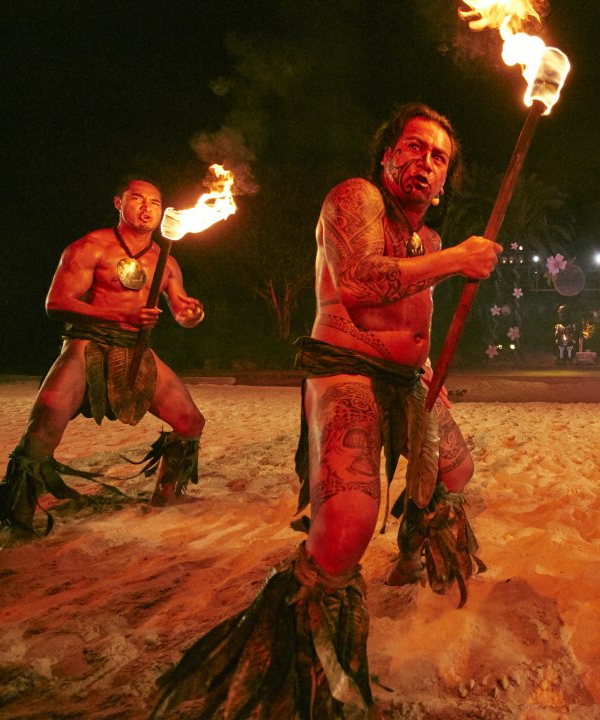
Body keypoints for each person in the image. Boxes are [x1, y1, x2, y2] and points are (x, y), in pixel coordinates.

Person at [150, 103, 501, 718]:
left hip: (408, 380)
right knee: (346, 526)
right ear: (387, 156)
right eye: (413, 147)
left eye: (439, 157)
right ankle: (296, 664)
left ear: (445, 183)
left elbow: (415, 314)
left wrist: (426, 371)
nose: (425, 161)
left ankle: (412, 552)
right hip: (348, 370)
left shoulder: (430, 239)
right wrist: (458, 261)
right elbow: (360, 281)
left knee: (456, 472)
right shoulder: (355, 198)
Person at [0, 178, 206, 537]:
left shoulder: (166, 261)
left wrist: (191, 313)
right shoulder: (90, 247)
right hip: (86, 343)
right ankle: (20, 522)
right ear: (118, 203)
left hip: (136, 349)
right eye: (137, 199)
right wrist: (120, 315)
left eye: (155, 202)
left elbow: (181, 310)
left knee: (190, 421)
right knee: (42, 428)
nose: (147, 208)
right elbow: (56, 303)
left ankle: (165, 498)